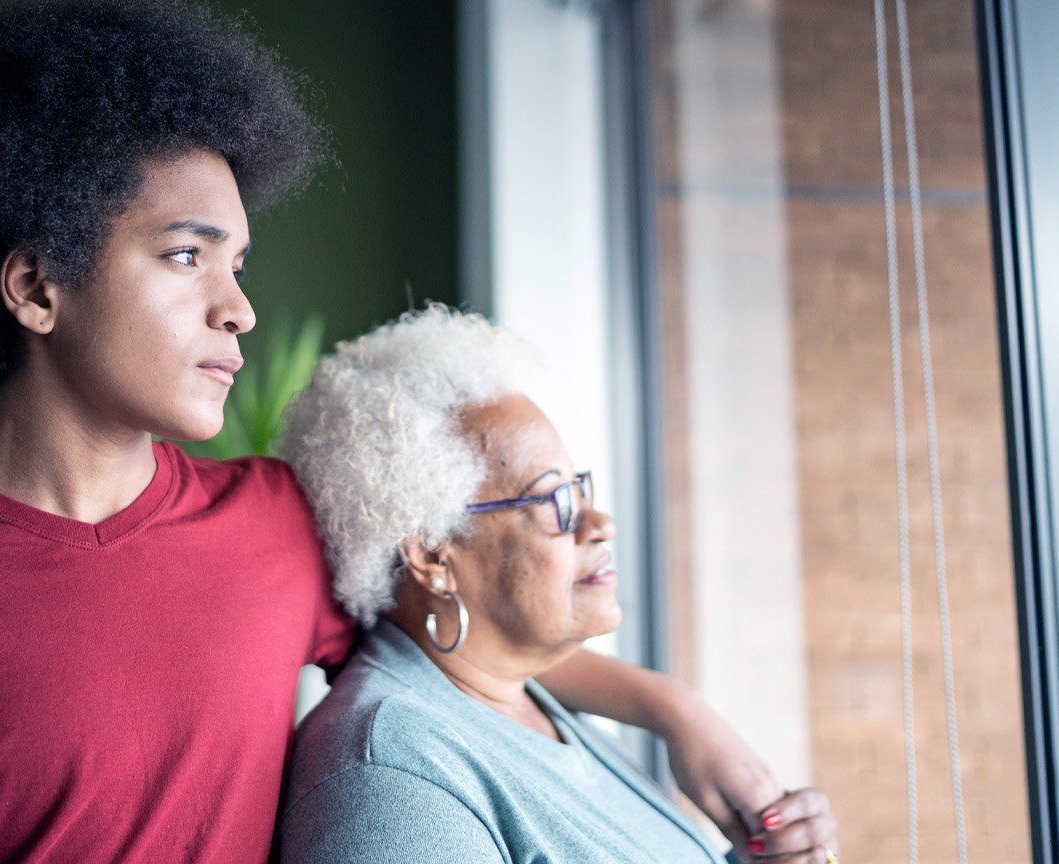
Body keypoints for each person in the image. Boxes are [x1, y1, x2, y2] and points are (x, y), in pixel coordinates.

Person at [0, 2, 814, 863]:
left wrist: (675, 712)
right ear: (37, 286)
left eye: (239, 265)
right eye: (187, 257)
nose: (237, 309)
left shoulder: (275, 529)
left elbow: (470, 634)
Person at [277, 306, 841, 863]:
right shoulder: (394, 788)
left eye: (580, 488)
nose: (600, 525)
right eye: (555, 500)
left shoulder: (520, 700)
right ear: (431, 553)